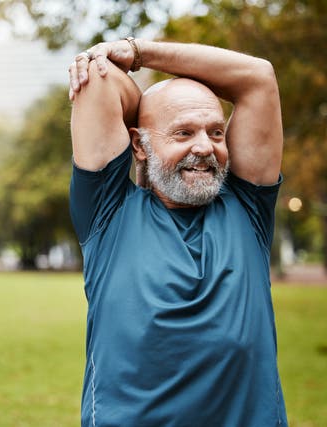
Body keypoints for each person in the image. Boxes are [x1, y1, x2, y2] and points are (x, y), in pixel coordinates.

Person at [68, 38, 287, 427]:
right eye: (183, 133)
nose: (205, 147)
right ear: (138, 144)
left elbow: (258, 77)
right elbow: (100, 82)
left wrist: (139, 53)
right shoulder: (108, 213)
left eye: (216, 132)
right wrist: (146, 114)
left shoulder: (248, 207)